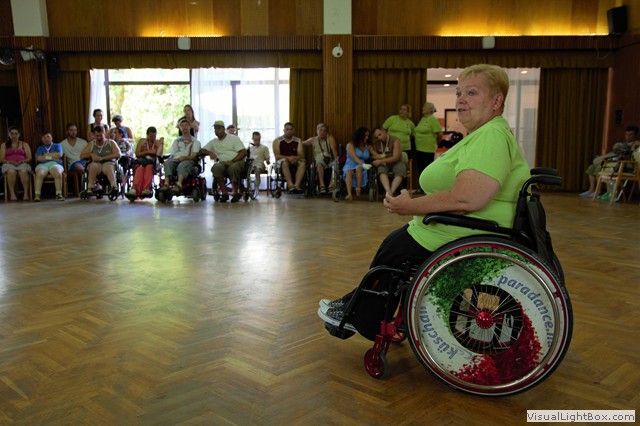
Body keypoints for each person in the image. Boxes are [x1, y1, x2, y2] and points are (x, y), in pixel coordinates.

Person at [317, 64, 531, 334]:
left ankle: (362, 317)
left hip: (472, 230)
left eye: (472, 93)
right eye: (458, 93)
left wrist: (410, 206)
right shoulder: (485, 133)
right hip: (464, 227)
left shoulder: (491, 136)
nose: (461, 100)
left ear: (497, 100)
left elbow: (467, 199)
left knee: (396, 250)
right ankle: (357, 305)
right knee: (393, 245)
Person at [580, 125, 640, 199]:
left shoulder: (636, 144)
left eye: (631, 134)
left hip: (623, 164)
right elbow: (615, 148)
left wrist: (632, 147)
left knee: (600, 167)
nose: (628, 136)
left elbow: (632, 154)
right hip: (613, 158)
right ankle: (591, 189)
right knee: (591, 167)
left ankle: (598, 191)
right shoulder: (621, 143)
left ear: (635, 135)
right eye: (626, 134)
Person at [201, 120, 246, 202]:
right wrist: (210, 152)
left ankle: (236, 192)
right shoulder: (214, 142)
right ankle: (224, 193)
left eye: (219, 128)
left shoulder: (233, 138)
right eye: (215, 129)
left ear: (224, 129)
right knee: (216, 167)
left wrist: (233, 161)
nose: (217, 130)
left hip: (237, 161)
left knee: (233, 167)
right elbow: (201, 150)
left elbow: (243, 152)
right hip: (223, 163)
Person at [162, 118, 201, 194]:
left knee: (182, 165)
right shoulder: (176, 141)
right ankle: (166, 184)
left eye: (186, 125)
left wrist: (184, 157)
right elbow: (172, 154)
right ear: (180, 128)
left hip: (189, 160)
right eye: (182, 126)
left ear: (190, 127)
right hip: (176, 159)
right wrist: (167, 161)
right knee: (169, 163)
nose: (184, 127)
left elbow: (193, 156)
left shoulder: (195, 142)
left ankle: (179, 184)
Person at [80, 125, 122, 196]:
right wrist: (91, 154)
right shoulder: (91, 144)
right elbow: (81, 156)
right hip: (96, 164)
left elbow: (118, 154)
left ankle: (114, 186)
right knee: (93, 166)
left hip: (109, 162)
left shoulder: (111, 143)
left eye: (101, 135)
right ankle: (90, 187)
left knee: (108, 167)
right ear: (94, 135)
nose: (99, 137)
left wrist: (104, 158)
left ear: (104, 133)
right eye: (97, 136)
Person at [126, 126, 164, 200]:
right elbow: (137, 154)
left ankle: (146, 188)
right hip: (141, 161)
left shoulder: (158, 142)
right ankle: (134, 188)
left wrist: (162, 143)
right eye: (151, 136)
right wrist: (148, 152)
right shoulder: (142, 141)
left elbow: (159, 154)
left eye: (154, 136)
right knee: (140, 168)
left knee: (149, 167)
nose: (153, 138)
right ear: (147, 135)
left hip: (152, 162)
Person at [301, 123, 339, 194]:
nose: (322, 132)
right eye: (320, 130)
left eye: (324, 131)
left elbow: (334, 149)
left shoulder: (330, 138)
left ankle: (331, 185)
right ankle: (322, 186)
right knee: (319, 164)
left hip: (329, 160)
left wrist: (336, 159)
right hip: (319, 160)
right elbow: (302, 143)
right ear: (317, 131)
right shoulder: (313, 139)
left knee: (336, 164)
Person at [370, 127, 406, 196]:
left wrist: (381, 161)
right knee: (381, 170)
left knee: (401, 169)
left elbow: (396, 157)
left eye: (380, 134)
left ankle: (391, 192)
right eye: (377, 137)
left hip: (396, 162)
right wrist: (376, 157)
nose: (379, 138)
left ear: (384, 131)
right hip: (384, 163)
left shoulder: (395, 140)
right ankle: (388, 191)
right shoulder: (376, 142)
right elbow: (373, 155)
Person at [0, 126, 32, 201]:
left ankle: (26, 193)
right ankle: (12, 194)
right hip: (8, 164)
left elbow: (29, 158)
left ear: (19, 134)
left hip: (22, 163)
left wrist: (22, 161)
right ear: (9, 135)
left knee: (23, 172)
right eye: (12, 133)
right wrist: (10, 162)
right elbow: (1, 159)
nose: (14, 135)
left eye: (16, 133)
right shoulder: (4, 145)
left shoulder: (25, 144)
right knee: (11, 172)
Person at [273, 122, 305, 193]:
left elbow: (301, 155)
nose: (289, 131)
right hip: (282, 161)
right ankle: (290, 185)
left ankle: (296, 186)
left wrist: (295, 158)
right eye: (287, 129)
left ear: (293, 130)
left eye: (291, 129)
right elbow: (277, 156)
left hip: (295, 160)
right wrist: (288, 158)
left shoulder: (298, 140)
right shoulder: (277, 141)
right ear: (284, 130)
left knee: (302, 163)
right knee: (284, 162)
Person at [33, 132, 65, 201]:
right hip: (42, 164)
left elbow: (59, 155)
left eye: (48, 137)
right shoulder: (40, 148)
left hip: (55, 164)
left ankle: (59, 194)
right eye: (44, 137)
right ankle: (37, 195)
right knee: (39, 174)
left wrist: (46, 155)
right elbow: (39, 158)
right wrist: (52, 157)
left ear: (51, 138)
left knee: (57, 173)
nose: (46, 139)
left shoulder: (57, 145)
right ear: (42, 139)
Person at [342, 127, 372, 201]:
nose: (367, 137)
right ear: (360, 136)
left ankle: (358, 189)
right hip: (350, 164)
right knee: (348, 171)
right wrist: (363, 164)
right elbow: (354, 158)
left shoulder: (368, 146)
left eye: (368, 135)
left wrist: (382, 156)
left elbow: (375, 155)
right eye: (365, 135)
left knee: (359, 168)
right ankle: (349, 194)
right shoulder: (350, 145)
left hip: (360, 165)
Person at [414, 101, 442, 173]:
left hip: (428, 149)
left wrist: (437, 143)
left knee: (426, 169)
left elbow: (439, 133)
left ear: (430, 110)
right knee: (420, 169)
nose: (422, 108)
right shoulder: (423, 118)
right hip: (419, 148)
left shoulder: (432, 119)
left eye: (425, 107)